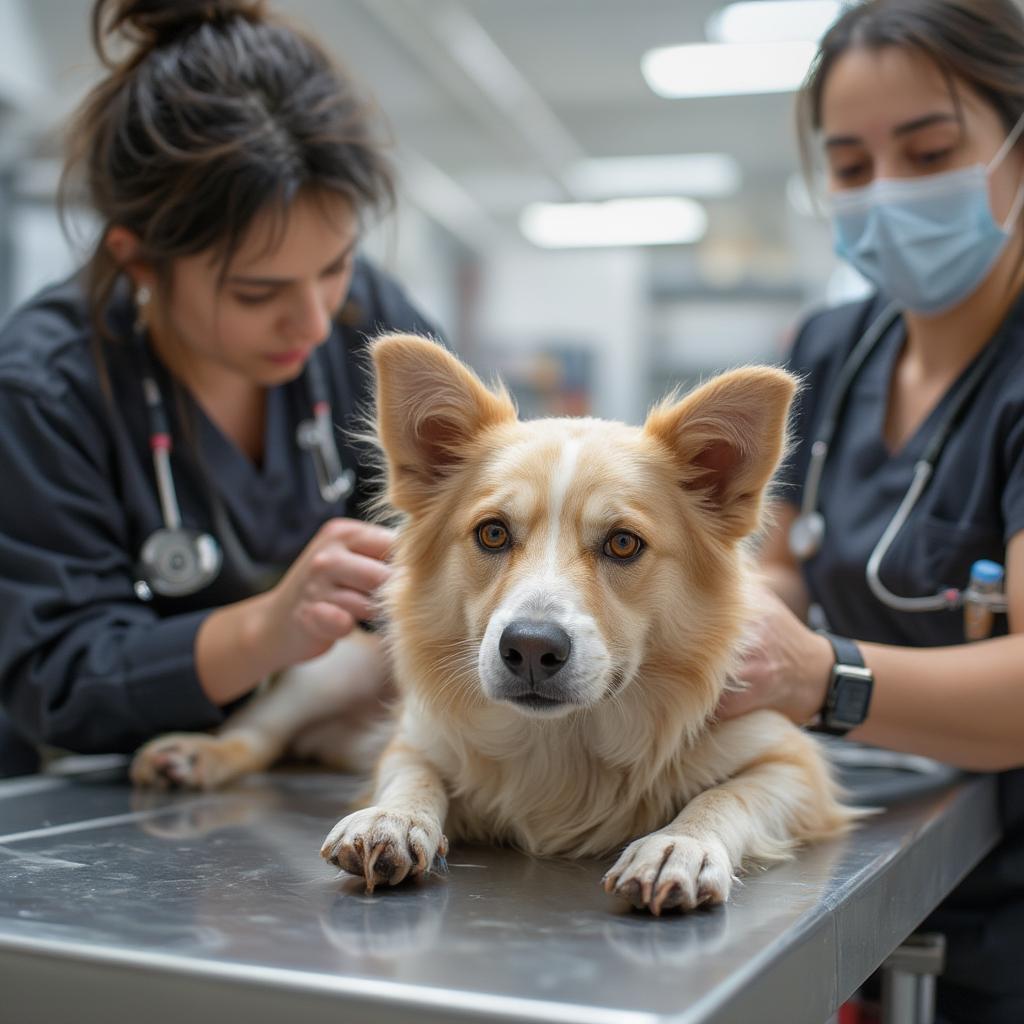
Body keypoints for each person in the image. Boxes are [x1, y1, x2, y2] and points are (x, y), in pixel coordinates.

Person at [0, 0, 441, 774]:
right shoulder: (45, 390)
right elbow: (58, 676)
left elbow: (479, 499)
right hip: (98, 798)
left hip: (320, 761)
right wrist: (267, 629)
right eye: (255, 293)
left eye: (335, 265)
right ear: (139, 262)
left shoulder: (368, 319)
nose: (310, 322)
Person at [716, 1, 1024, 1021]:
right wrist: (734, 616)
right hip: (845, 847)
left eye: (929, 151)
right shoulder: (831, 347)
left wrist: (818, 675)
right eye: (850, 168)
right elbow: (784, 561)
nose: (887, 194)